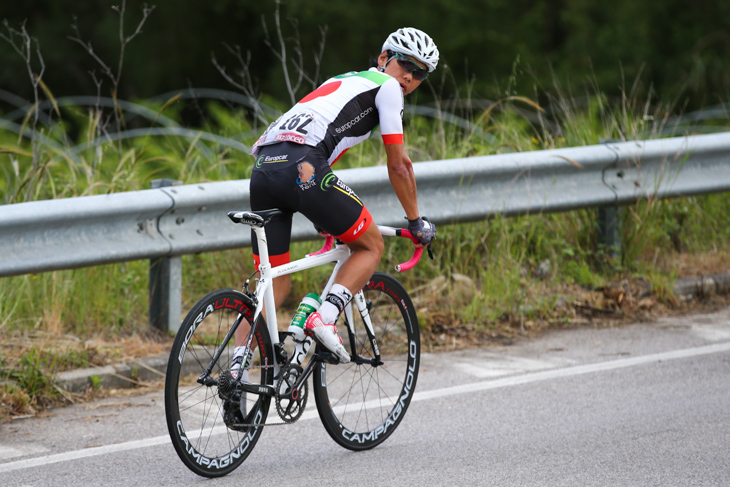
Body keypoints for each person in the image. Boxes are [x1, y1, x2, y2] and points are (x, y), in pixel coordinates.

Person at [233, 27, 439, 370]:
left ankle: (235, 370)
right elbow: (399, 165)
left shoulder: (343, 80)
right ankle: (324, 318)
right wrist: (415, 221)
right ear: (384, 58)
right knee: (371, 245)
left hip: (264, 168)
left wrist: (323, 216)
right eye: (405, 64)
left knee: (274, 286)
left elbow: (320, 145)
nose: (409, 77)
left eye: (420, 73)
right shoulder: (388, 88)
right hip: (302, 168)